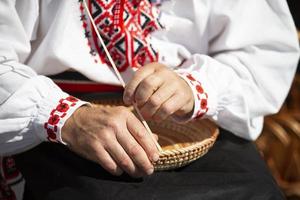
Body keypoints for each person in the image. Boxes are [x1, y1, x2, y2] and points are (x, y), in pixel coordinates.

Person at [0, 0, 299, 199]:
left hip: (192, 116)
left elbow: (262, 49)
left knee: (253, 192)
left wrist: (196, 85)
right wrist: (63, 116)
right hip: (51, 124)